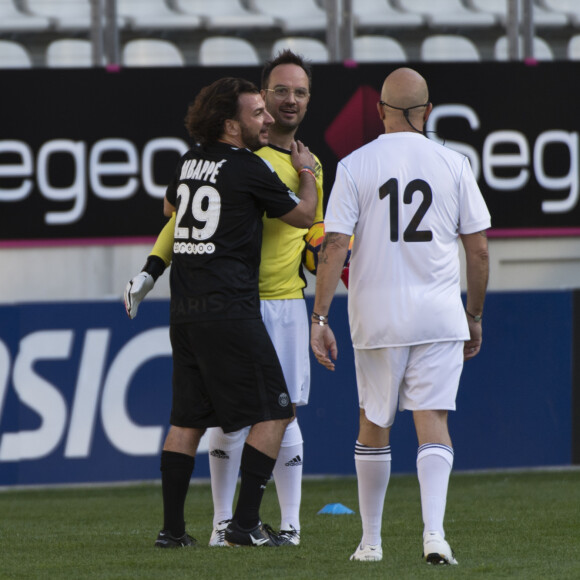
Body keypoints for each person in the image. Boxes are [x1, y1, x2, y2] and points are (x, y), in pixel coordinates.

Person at [125, 51, 324, 547]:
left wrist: (152, 269)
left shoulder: (190, 160)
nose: (269, 115)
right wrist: (305, 174)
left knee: (187, 419)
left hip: (187, 308)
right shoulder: (251, 166)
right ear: (231, 125)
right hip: (233, 307)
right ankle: (242, 524)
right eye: (258, 109)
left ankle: (173, 531)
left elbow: (172, 207)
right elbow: (302, 216)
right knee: (277, 411)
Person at [309, 67, 490, 565]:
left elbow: (336, 247)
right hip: (438, 314)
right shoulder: (454, 164)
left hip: (377, 316)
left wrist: (319, 318)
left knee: (373, 422)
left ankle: (370, 543)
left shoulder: (353, 164)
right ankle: (435, 536)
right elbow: (478, 251)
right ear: (428, 112)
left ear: (379, 111)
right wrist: (472, 313)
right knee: (432, 420)